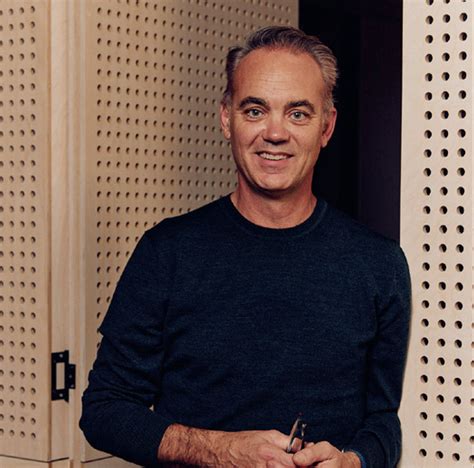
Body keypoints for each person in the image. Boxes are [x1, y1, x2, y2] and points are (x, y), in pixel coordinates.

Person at [80, 26, 411, 468]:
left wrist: (354, 461)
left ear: (326, 127)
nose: (275, 133)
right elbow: (104, 411)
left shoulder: (380, 265)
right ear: (226, 119)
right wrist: (222, 451)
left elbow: (383, 421)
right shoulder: (168, 252)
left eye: (298, 113)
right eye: (255, 110)